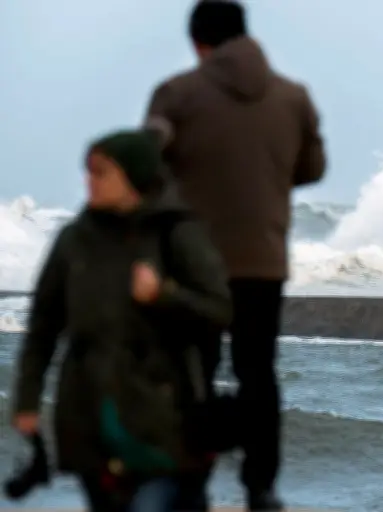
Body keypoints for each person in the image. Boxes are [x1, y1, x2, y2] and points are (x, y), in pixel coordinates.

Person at [144, 1, 327, 510]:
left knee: (192, 372)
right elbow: (311, 168)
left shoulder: (177, 94)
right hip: (262, 260)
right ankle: (261, 487)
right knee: (258, 373)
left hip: (191, 264)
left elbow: (146, 163)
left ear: (199, 44)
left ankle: (192, 482)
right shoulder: (294, 97)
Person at [11, 128, 232, 512]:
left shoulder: (176, 232)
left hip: (162, 416)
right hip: (91, 414)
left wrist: (163, 296)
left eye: (101, 172)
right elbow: (43, 327)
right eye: (88, 171)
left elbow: (219, 311)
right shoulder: (74, 240)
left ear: (134, 176)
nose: (89, 181)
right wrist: (27, 401)